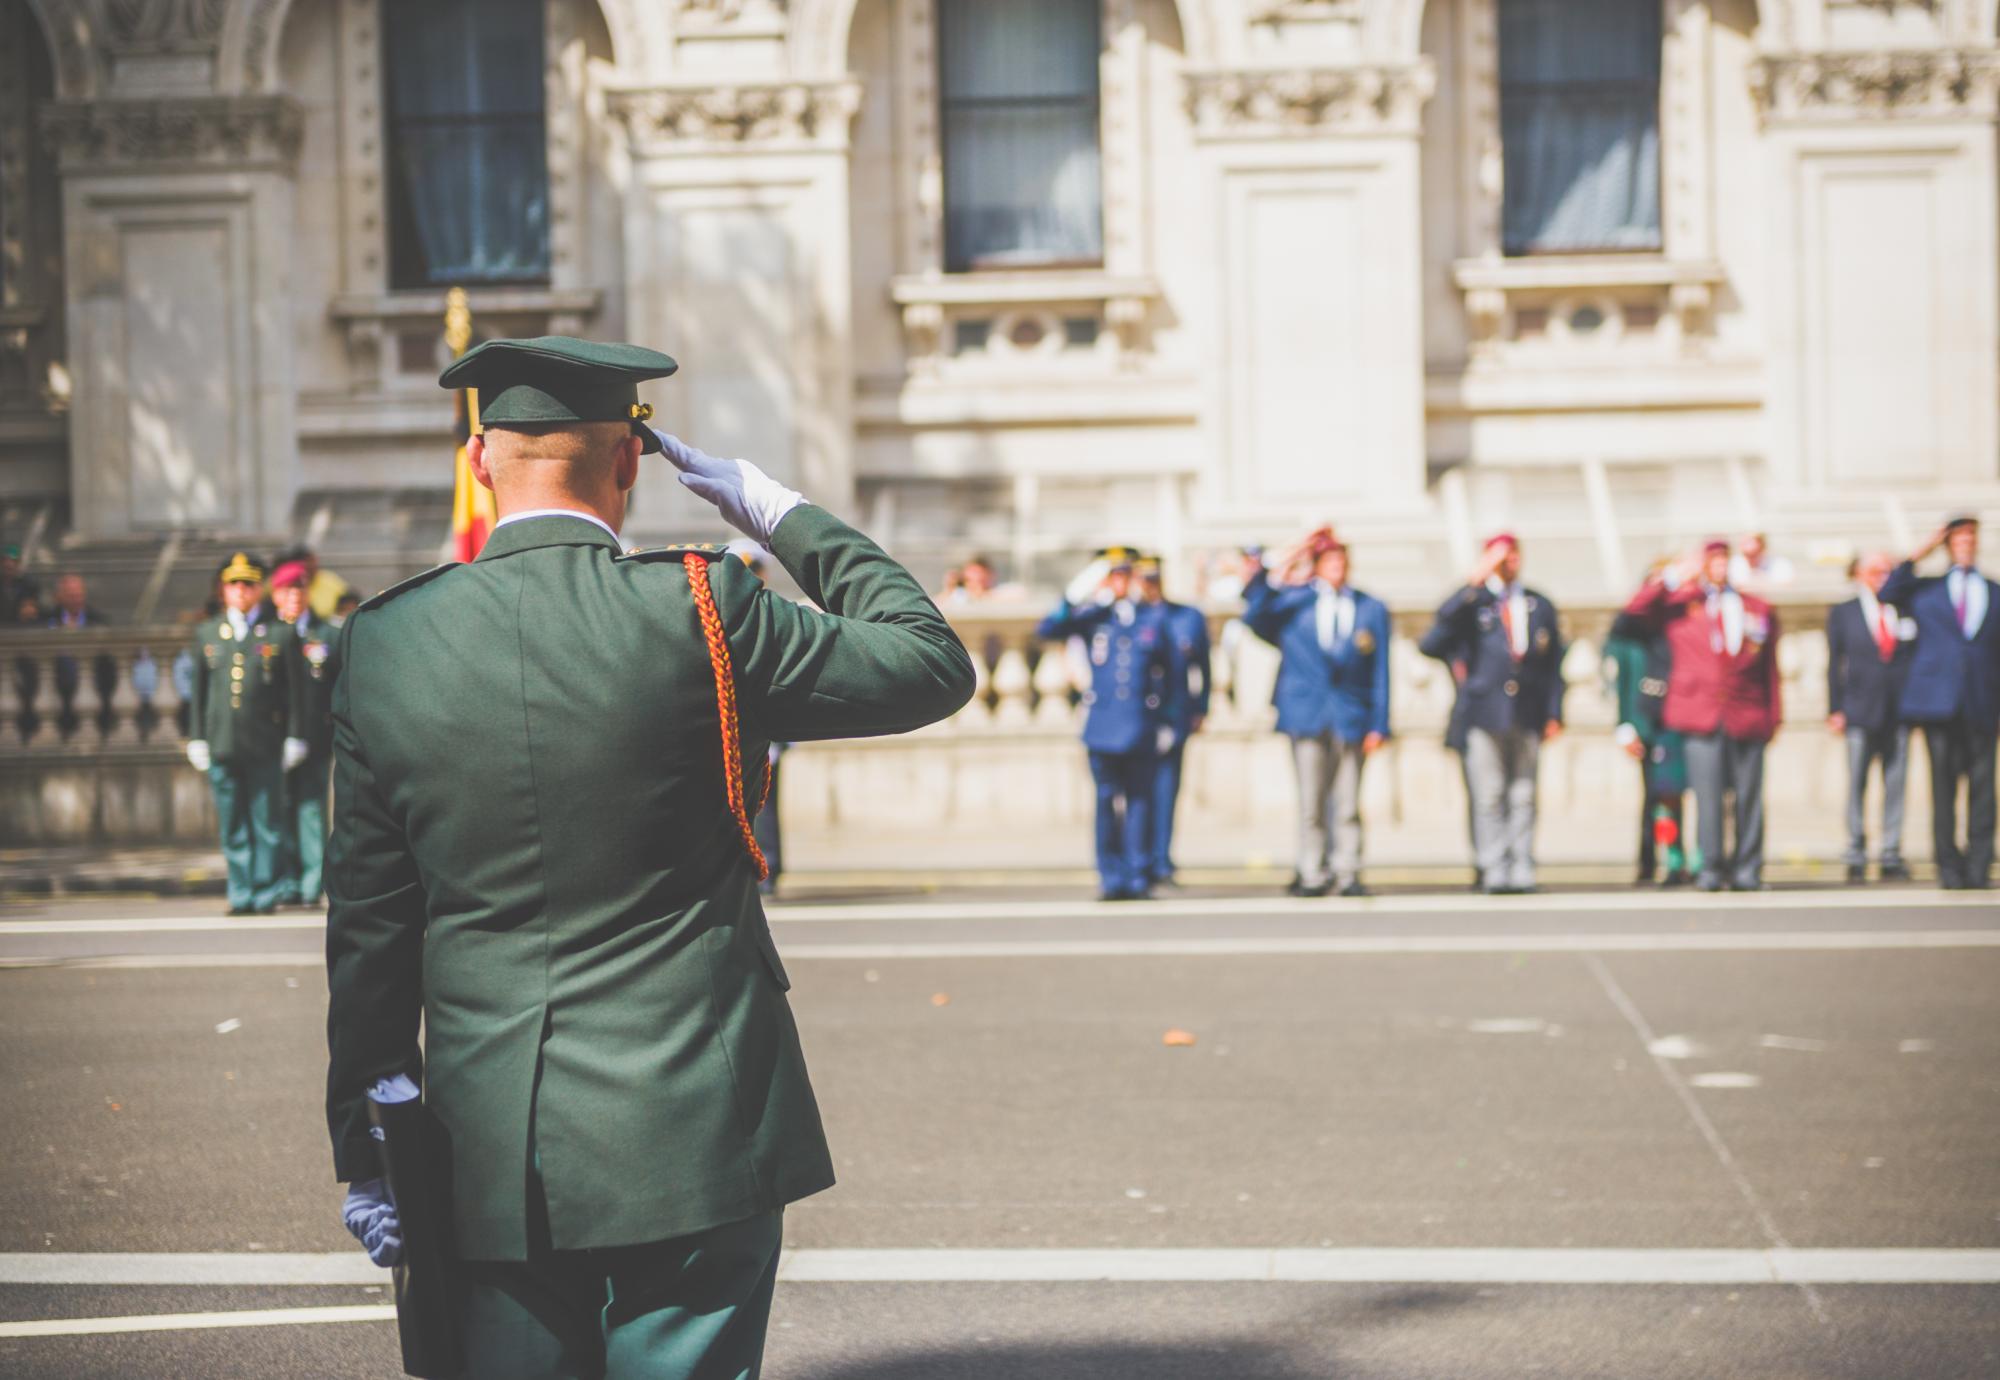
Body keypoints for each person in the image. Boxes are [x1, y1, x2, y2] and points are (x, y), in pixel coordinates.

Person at [324, 335, 975, 1380]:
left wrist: (365, 1148)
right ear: (630, 461)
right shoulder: (702, 607)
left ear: (477, 457)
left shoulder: (384, 644)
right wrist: (779, 511)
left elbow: (368, 926)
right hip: (695, 1126)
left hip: (488, 1146)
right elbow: (929, 662)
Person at [1622, 540, 1781, 892]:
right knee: (1704, 797)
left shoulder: (1756, 608)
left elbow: (1769, 669)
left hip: (1747, 712)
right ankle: (1708, 867)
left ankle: (1747, 869)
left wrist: (1774, 717)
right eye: (1714, 560)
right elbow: (1633, 613)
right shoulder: (1682, 606)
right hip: (1699, 713)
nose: (1721, 566)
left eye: (1726, 559)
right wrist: (1674, 576)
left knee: (1748, 797)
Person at [1241, 533, 1390, 897]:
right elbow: (1255, 610)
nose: (1337, 570)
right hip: (1306, 713)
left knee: (1348, 801)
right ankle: (1312, 870)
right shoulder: (1295, 603)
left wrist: (1379, 722)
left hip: (1350, 714)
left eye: (1341, 562)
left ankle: (1348, 870)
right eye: (1329, 563)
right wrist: (1285, 560)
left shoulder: (1370, 607)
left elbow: (1381, 670)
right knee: (1311, 801)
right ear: (1317, 567)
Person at [1419, 533, 1565, 895]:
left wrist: (1554, 712)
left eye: (1512, 555)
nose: (1507, 562)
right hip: (1484, 713)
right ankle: (1492, 865)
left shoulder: (1537, 604)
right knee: (1488, 794)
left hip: (1526, 711)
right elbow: (1433, 638)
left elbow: (1553, 666)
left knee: (1524, 794)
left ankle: (1522, 864)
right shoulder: (1474, 603)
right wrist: (1474, 581)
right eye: (1499, 557)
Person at [1036, 546, 1171, 901]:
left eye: (1126, 575)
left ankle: (1138, 875)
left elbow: (1170, 675)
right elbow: (1049, 627)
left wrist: (1167, 722)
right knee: (1106, 801)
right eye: (1114, 575)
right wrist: (1081, 588)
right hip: (1103, 725)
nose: (1121, 582)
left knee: (1140, 801)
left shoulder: (1152, 618)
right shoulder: (1094, 616)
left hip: (1140, 724)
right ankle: (1110, 876)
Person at [1879, 516, 2000, 889]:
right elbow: (1887, 592)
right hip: (1939, 703)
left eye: (1970, 537)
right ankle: (1948, 867)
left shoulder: (1994, 591)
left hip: (1982, 702)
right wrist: (1921, 552)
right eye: (1958, 538)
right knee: (1943, 789)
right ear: (1948, 544)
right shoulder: (1926, 589)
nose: (1965, 543)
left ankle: (1979, 867)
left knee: (1983, 791)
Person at [185, 553, 309, 916]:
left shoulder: (279, 633)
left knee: (267, 823)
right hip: (222, 743)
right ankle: (241, 893)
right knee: (233, 824)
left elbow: (294, 693)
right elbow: (199, 693)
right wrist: (196, 737)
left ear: (259, 589)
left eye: (248, 584)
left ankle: (265, 891)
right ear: (223, 590)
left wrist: (295, 736)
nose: (241, 591)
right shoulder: (207, 633)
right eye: (234, 584)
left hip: (264, 744)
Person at [1826, 553, 1915, 884]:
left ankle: (1891, 850)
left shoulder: (1903, 608)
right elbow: (1835, 662)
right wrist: (1834, 708)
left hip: (1898, 711)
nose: (1882, 575)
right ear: (1859, 574)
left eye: (1887, 570)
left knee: (1895, 784)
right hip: (1859, 710)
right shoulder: (1845, 611)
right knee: (1856, 784)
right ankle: (1855, 849)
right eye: (1876, 570)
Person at [1606, 587, 1697, 887]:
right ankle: (1661, 857)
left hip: (1684, 720)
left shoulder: (1678, 626)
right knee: (1660, 799)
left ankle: (1697, 856)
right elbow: (1621, 683)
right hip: (1650, 724)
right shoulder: (1635, 633)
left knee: (1694, 795)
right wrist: (1625, 725)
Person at [1136, 554, 1210, 890]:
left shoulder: (1186, 617)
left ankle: (1160, 860)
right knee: (1135, 794)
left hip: (1172, 714)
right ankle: (1136, 859)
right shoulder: (1127, 616)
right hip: (1135, 719)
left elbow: (1203, 667)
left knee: (1166, 792)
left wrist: (1200, 707)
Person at [269, 560, 339, 907]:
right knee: (279, 810)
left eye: (299, 590)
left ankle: (312, 883)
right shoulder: (265, 636)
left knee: (311, 811)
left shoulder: (326, 635)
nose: (293, 597)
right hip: (272, 740)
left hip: (314, 737)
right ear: (276, 595)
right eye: (286, 591)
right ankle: (287, 881)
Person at [274, 543, 353, 624]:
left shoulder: (329, 580)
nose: (312, 565)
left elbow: (350, 601)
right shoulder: (283, 582)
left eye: (313, 560)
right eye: (307, 562)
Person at [1728, 532, 1795, 595]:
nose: (1750, 558)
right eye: (1747, 554)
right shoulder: (1735, 563)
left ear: (1763, 548)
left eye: (1754, 553)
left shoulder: (1781, 564)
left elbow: (1785, 587)